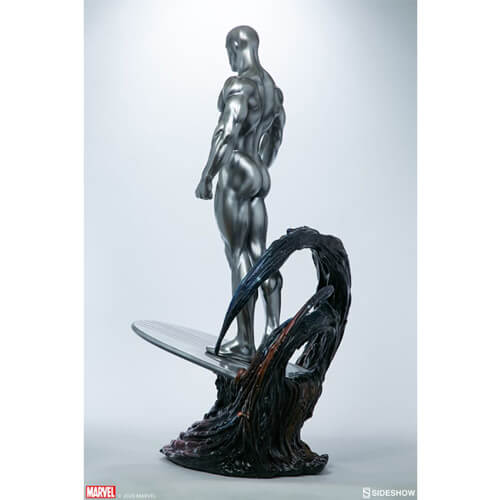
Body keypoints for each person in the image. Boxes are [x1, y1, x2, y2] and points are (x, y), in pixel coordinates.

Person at [195, 26, 285, 361]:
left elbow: (226, 132)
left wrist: (207, 175)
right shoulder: (272, 90)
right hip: (258, 171)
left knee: (238, 255)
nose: (229, 58)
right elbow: (276, 134)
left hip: (235, 168)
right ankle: (272, 331)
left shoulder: (239, 85)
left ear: (236, 46)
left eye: (228, 51)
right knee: (260, 253)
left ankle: (245, 340)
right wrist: (261, 168)